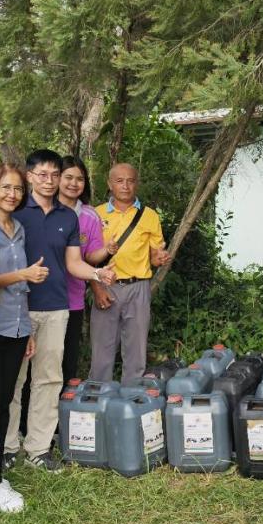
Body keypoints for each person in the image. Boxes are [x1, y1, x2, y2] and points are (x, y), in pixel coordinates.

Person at [7, 149, 115, 471]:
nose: (50, 181)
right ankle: (8, 446)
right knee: (14, 381)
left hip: (57, 308)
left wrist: (98, 274)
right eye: (42, 174)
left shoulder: (68, 217)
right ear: (29, 177)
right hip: (19, 308)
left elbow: (73, 263)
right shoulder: (15, 212)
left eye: (54, 175)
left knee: (49, 379)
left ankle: (38, 448)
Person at [0, 163, 48, 512]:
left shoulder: (17, 227)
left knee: (2, 404)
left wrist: (28, 330)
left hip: (17, 327)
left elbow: (22, 289)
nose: (12, 194)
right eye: (6, 187)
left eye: (18, 189)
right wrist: (22, 273)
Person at [89, 163, 171, 385]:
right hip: (106, 287)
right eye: (119, 181)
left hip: (138, 288)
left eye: (130, 180)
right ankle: (98, 401)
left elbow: (154, 256)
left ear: (137, 183)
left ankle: (130, 403)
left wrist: (159, 258)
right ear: (109, 184)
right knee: (101, 353)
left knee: (136, 352)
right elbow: (86, 258)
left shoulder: (149, 215)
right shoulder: (95, 214)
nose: (125, 186)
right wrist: (96, 289)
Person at [58, 156, 109, 384]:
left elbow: (90, 258)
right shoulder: (41, 210)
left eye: (80, 179)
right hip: (39, 300)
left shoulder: (89, 215)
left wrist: (107, 251)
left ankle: (64, 415)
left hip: (72, 300)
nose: (74, 183)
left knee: (67, 363)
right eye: (68, 177)